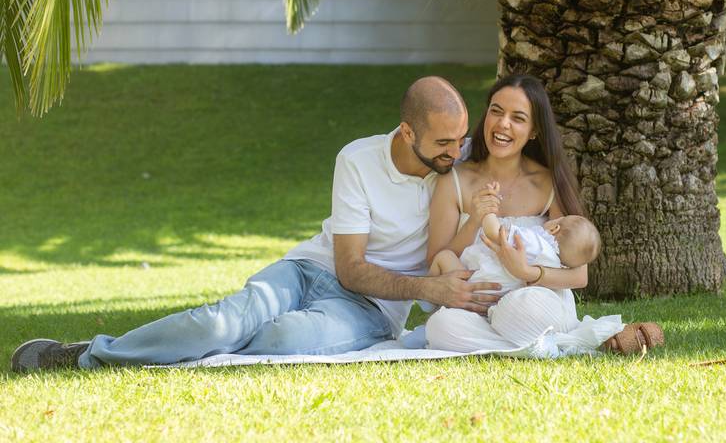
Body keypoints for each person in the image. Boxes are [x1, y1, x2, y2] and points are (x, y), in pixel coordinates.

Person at [11, 76, 504, 373]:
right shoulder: (357, 158)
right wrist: (430, 289)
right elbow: (349, 268)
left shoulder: (454, 181)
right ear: (407, 131)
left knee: (281, 341)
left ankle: (174, 348)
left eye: (461, 140)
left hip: (373, 310)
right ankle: (89, 354)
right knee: (223, 321)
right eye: (444, 142)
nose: (455, 151)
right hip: (310, 270)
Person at [423, 74, 660, 354]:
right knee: (440, 328)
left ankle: (526, 343)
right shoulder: (453, 180)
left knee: (528, 309)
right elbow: (435, 264)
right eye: (496, 111)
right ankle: (556, 345)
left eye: (518, 118)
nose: (502, 124)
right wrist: (475, 218)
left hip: (534, 301)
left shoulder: (547, 182)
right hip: (476, 309)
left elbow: (579, 276)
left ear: (534, 130)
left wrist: (526, 272)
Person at [428, 211, 602, 296]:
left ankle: (428, 303)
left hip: (476, 282)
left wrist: (487, 212)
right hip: (500, 295)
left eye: (558, 219)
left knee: (444, 257)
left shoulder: (535, 243)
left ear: (555, 228)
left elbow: (495, 233)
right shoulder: (556, 263)